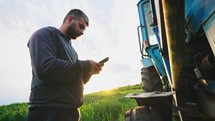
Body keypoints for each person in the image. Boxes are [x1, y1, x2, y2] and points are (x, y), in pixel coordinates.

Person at [26, 9, 102, 121]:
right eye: (81, 26)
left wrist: (89, 72)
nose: (82, 32)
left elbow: (75, 78)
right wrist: (85, 65)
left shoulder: (72, 51)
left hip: (71, 113)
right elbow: (45, 68)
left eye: (84, 30)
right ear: (70, 19)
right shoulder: (44, 34)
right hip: (48, 112)